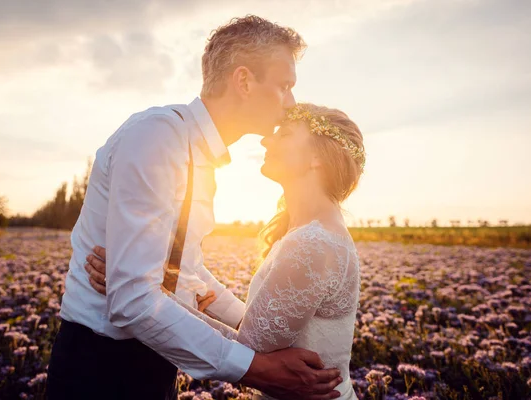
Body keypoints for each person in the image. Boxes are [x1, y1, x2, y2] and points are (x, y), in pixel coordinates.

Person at [46, 15, 343, 400]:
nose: (291, 102)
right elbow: (133, 299)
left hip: (154, 356)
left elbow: (185, 272)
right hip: (101, 368)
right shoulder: (158, 137)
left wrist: (257, 333)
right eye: (284, 86)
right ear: (244, 81)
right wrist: (254, 367)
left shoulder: (200, 156)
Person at [86, 103, 366, 399]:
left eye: (283, 135)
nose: (265, 140)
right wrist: (142, 279)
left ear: (316, 158)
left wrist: (141, 287)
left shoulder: (312, 243)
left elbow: (251, 353)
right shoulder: (312, 231)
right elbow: (261, 334)